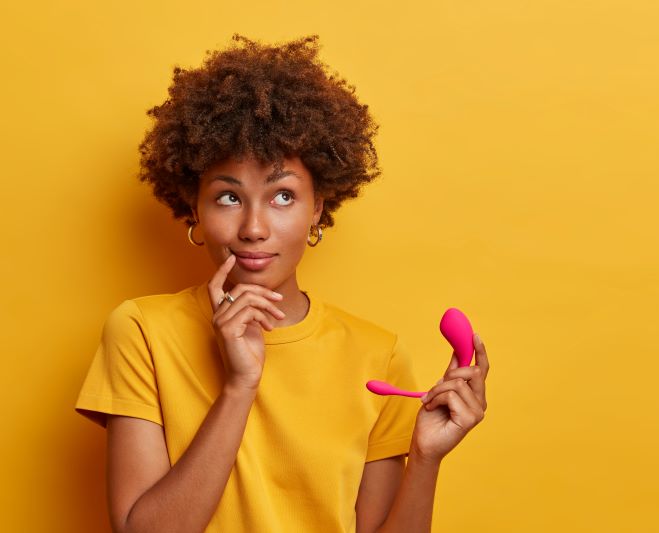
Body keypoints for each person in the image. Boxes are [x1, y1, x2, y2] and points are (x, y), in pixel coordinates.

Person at [74, 33, 490, 533]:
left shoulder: (377, 357)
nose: (252, 227)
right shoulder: (142, 331)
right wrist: (239, 385)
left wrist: (425, 458)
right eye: (228, 198)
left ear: (318, 207)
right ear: (194, 207)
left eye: (283, 197)